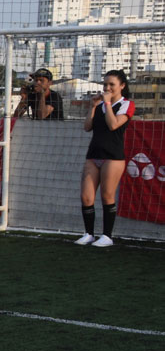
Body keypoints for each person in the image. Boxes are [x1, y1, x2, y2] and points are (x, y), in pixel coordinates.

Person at [75, 69, 135, 248]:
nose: (107, 88)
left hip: (113, 157)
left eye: (112, 85)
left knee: (107, 195)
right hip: (93, 154)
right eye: (105, 84)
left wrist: (107, 104)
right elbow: (87, 127)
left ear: (122, 86)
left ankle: (107, 235)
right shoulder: (101, 104)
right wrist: (93, 107)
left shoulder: (127, 104)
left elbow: (114, 124)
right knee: (86, 196)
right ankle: (88, 233)